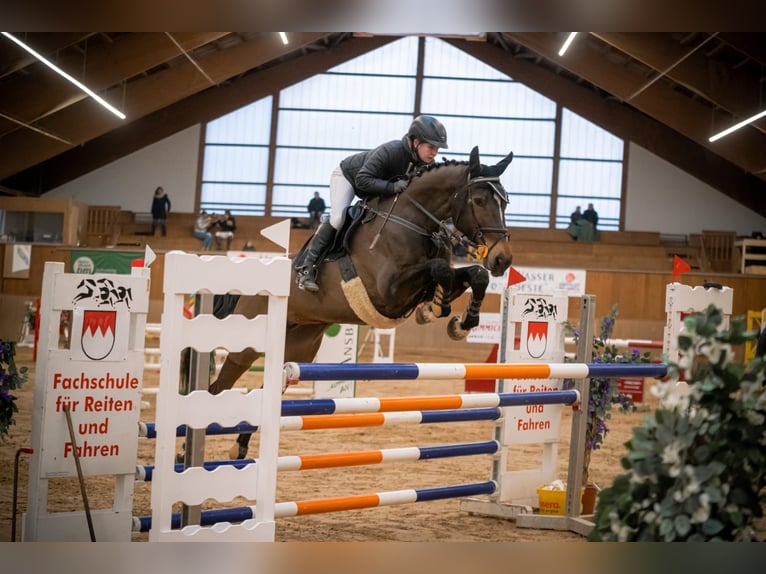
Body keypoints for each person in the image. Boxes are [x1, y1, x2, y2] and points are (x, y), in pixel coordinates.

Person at [296, 115, 449, 292]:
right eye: (431, 147)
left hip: (375, 190)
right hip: (349, 178)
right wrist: (391, 187)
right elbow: (362, 180)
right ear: (416, 142)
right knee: (338, 218)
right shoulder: (391, 150)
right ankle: (307, 268)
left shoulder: (426, 166)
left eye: (437, 149)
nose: (435, 153)